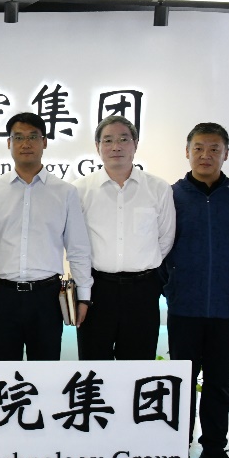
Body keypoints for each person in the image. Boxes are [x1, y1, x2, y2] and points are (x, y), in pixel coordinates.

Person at [163, 123, 229, 458]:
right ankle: (176, 448)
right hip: (185, 306)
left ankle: (215, 450)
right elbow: (162, 246)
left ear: (226, 153)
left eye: (214, 149)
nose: (206, 155)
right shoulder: (172, 195)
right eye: (199, 148)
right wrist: (172, 287)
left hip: (227, 307)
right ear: (187, 152)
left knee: (219, 382)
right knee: (183, 381)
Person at [0, 112, 91, 361]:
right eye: (18, 137)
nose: (26, 144)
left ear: (45, 142)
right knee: (0, 372)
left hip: (47, 297)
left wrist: (84, 297)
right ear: (9, 143)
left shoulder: (65, 192)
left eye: (33, 137)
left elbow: (78, 248)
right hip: (2, 295)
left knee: (45, 372)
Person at [75, 115, 175, 361]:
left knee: (137, 367)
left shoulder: (158, 188)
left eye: (123, 139)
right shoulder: (80, 190)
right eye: (108, 140)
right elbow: (76, 244)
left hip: (143, 291)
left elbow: (165, 238)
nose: (116, 147)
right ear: (97, 146)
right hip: (97, 290)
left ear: (135, 144)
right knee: (94, 365)